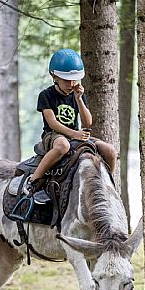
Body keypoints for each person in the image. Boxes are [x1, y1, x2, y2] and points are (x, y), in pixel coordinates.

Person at [24, 48, 116, 192]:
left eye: (74, 79)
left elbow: (87, 123)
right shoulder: (46, 95)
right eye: (66, 80)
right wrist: (74, 134)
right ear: (54, 76)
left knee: (110, 151)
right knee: (63, 146)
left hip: (75, 135)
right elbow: (52, 123)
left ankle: (108, 185)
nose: (71, 84)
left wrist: (79, 99)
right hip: (53, 135)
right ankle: (33, 180)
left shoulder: (77, 94)